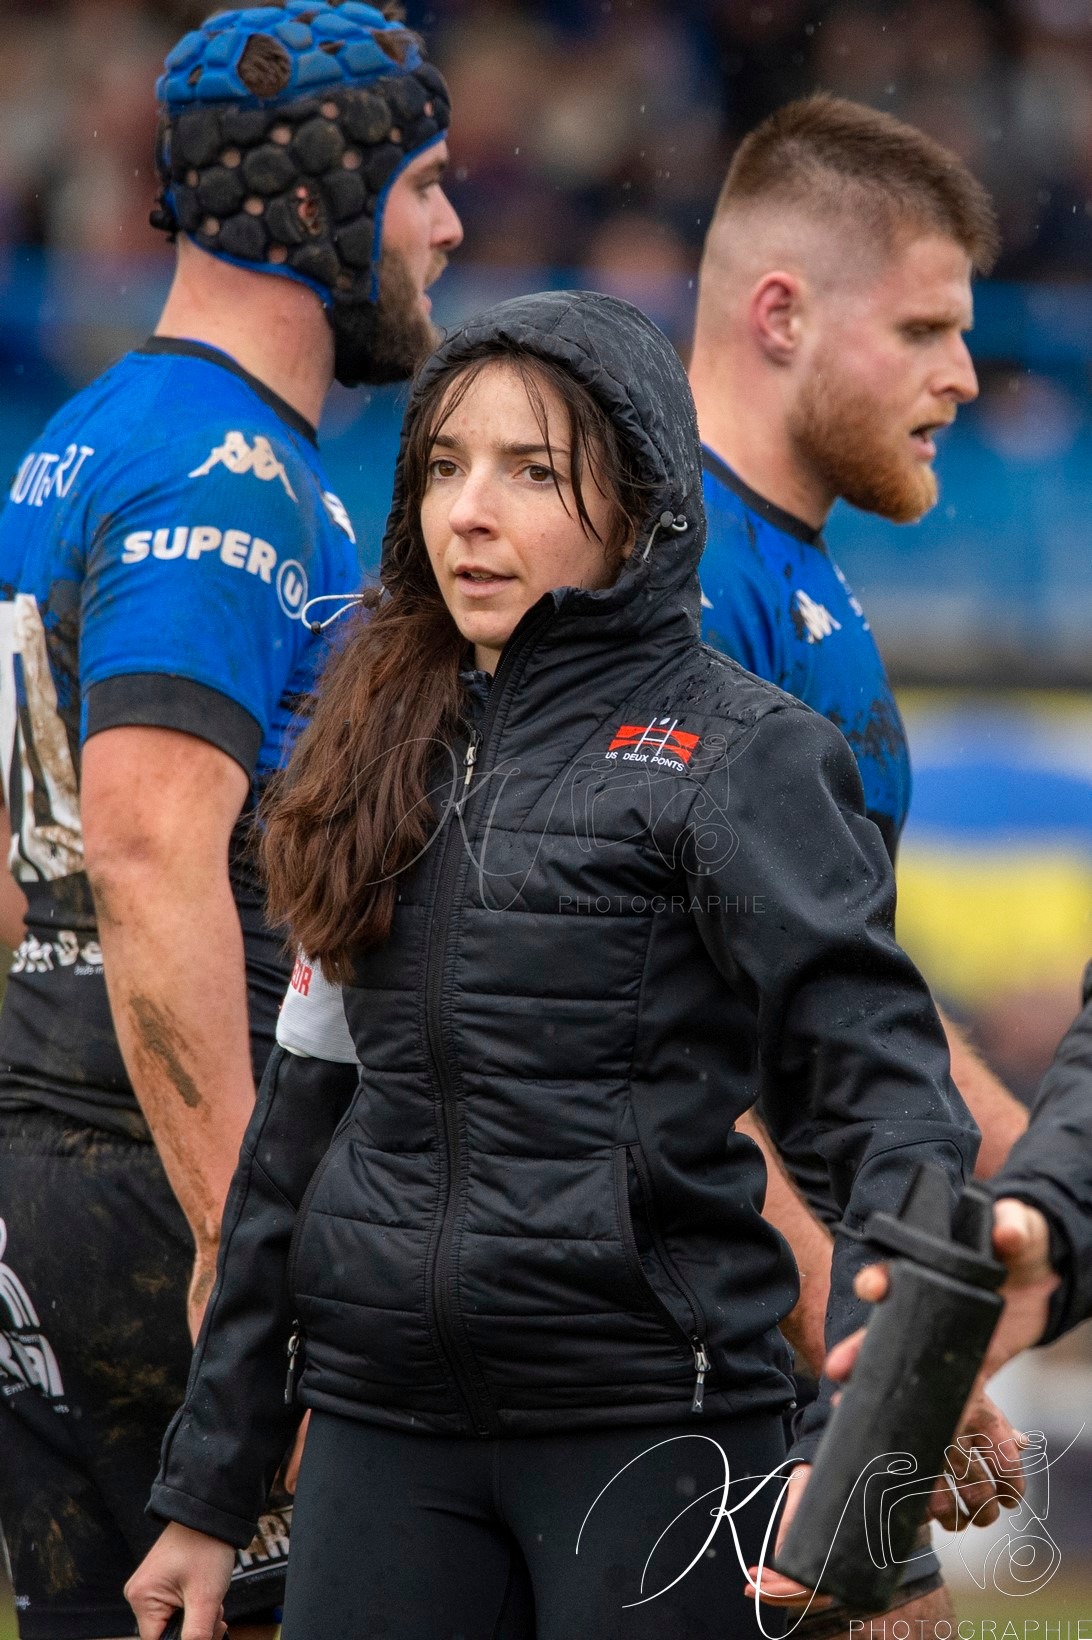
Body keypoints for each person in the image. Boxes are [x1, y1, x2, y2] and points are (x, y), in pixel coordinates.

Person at [125, 289, 979, 1640]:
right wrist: (209, 1491)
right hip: (379, 1442)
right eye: (444, 466)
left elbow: (894, 1119)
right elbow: (295, 1140)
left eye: (532, 472)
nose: (469, 513)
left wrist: (865, 1459)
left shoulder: (747, 754)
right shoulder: (369, 748)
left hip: (657, 1440)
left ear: (641, 505)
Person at [0, 6, 461, 1637]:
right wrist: (231, 1234)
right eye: (425, 186)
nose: (448, 229)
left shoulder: (79, 440)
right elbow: (143, 846)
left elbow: (25, 862)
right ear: (321, 203)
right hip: (165, 1178)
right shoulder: (224, 471)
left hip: (55, 1161)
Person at [687, 95, 1033, 1635]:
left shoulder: (794, 567)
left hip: (809, 1304)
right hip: (712, 1317)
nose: (965, 374)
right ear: (782, 316)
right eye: (924, 329)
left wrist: (1036, 1175)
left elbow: (838, 985)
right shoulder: (690, 581)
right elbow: (656, 1046)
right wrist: (874, 1338)